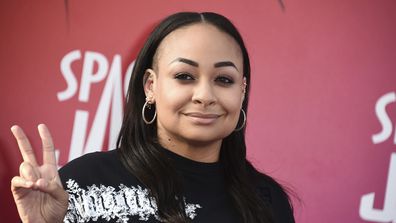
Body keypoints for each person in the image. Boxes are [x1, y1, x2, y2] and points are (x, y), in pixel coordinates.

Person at [10, 12, 295, 223]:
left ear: (242, 91)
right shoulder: (84, 183)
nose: (205, 95)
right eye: (185, 76)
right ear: (150, 86)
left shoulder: (266, 201)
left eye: (224, 79)